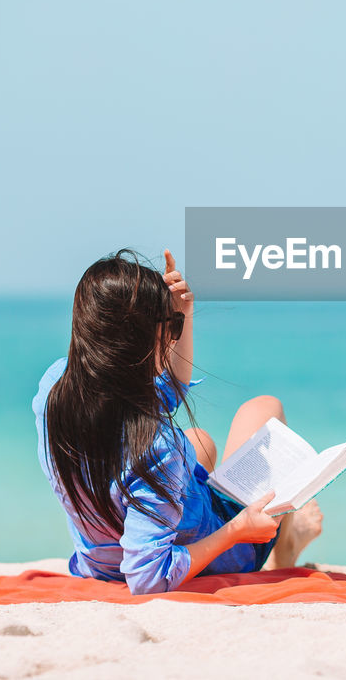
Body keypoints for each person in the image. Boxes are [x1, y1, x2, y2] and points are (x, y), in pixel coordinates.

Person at [33, 249, 322, 594]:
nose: (173, 334)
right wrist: (239, 530)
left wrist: (181, 313)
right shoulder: (155, 447)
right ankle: (283, 545)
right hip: (208, 551)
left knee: (200, 439)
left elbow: (162, 393)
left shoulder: (56, 388)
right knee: (264, 408)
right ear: (137, 342)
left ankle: (278, 534)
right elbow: (149, 578)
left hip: (100, 561)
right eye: (170, 328)